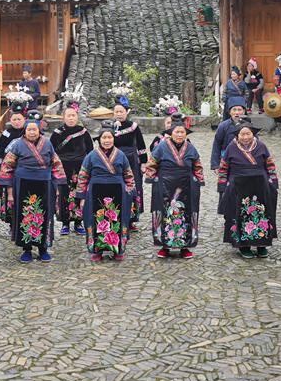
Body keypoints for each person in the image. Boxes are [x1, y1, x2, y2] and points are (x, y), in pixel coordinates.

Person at [0, 117, 66, 263]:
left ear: (39, 130)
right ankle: (27, 249)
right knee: (25, 216)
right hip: (23, 184)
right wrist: (10, 191)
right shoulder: (18, 144)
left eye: (34, 129)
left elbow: (56, 164)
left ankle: (43, 248)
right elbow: (7, 166)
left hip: (45, 185)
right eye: (29, 129)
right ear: (25, 131)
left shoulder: (47, 143)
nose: (31, 132)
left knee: (45, 215)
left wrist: (58, 185)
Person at [75, 121, 136, 261]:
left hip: (118, 192)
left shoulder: (121, 155)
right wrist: (82, 197)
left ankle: (118, 249)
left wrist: (130, 193)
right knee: (96, 219)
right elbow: (83, 176)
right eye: (104, 138)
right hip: (95, 192)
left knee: (118, 220)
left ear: (114, 139)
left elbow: (128, 175)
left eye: (109, 137)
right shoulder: (91, 156)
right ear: (99, 139)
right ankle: (97, 250)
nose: (107, 140)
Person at [217, 121, 279, 259]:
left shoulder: (261, 146)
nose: (245, 137)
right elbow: (223, 168)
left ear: (253, 134)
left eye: (248, 134)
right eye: (242, 134)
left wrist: (273, 183)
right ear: (237, 136)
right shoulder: (231, 147)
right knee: (240, 215)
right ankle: (243, 246)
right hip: (238, 187)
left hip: (260, 186)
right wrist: (222, 186)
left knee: (261, 214)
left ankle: (262, 245)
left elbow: (270, 165)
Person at [146, 122, 205, 260]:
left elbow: (197, 165)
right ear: (171, 133)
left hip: (186, 185)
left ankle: (185, 247)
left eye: (182, 132)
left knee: (187, 213)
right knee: (164, 212)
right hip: (165, 184)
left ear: (186, 134)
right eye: (177, 132)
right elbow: (152, 163)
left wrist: (199, 180)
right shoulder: (161, 146)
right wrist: (152, 178)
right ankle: (164, 247)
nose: (179, 135)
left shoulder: (190, 147)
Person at [50, 107, 94, 236]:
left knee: (79, 194)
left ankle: (78, 222)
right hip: (62, 169)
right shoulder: (57, 133)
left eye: (73, 115)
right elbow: (51, 152)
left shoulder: (83, 132)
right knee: (64, 194)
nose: (71, 118)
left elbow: (90, 151)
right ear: (63, 117)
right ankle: (65, 223)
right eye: (68, 116)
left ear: (77, 117)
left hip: (80, 168)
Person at [112, 100, 147, 231]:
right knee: (117, 187)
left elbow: (141, 145)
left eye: (121, 111)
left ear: (127, 112)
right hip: (115, 161)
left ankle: (132, 220)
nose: (119, 114)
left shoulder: (133, 127)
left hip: (132, 160)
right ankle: (116, 218)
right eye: (116, 112)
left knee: (133, 187)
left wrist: (143, 162)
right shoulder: (110, 127)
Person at [0, 103, 27, 223]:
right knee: (10, 197)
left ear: (24, 119)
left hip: (24, 170)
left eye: (19, 119)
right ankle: (11, 223)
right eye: (14, 119)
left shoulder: (29, 131)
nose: (17, 122)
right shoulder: (6, 133)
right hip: (8, 171)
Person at [210, 98, 247, 170]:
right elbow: (217, 144)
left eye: (239, 110)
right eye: (234, 110)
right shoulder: (223, 126)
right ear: (230, 112)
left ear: (244, 111)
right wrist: (215, 165)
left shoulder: (249, 126)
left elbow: (256, 144)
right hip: (227, 160)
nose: (237, 112)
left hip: (245, 160)